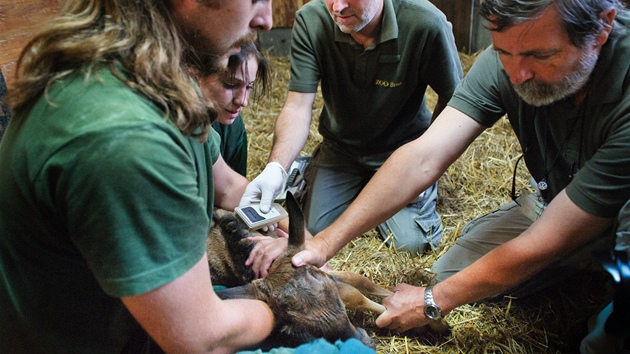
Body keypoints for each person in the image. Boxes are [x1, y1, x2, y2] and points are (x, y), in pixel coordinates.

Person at [285, 0, 630, 352]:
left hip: (614, 218)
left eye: (540, 56)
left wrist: (433, 300)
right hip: (563, 201)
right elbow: (424, 156)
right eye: (503, 52)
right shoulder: (508, 60)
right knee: (452, 275)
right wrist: (325, 243)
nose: (516, 74)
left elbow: (554, 235)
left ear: (602, 27)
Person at [0, 0, 274, 353]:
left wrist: (290, 233)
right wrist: (282, 307)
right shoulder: (128, 136)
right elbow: (202, 338)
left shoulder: (154, 82)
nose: (266, 19)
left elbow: (228, 186)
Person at [239, 0, 463, 264]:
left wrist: (429, 160)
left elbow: (456, 102)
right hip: (342, 150)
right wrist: (276, 167)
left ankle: (383, 190)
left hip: (403, 153)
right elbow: (298, 106)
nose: (338, 7)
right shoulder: (311, 20)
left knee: (410, 243)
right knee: (314, 230)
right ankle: (306, 172)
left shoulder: (425, 22)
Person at [201, 42, 272, 177]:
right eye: (231, 84)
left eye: (249, 86)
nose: (243, 101)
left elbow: (233, 188)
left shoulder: (233, 126)